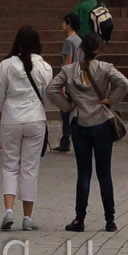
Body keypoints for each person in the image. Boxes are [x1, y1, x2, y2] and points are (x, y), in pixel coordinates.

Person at [48, 21, 128, 233]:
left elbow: (51, 89)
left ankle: (79, 219)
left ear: (81, 49)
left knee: (83, 173)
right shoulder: (105, 68)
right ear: (99, 50)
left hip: (80, 123)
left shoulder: (69, 70)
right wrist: (111, 100)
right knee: (105, 173)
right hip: (101, 121)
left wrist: (67, 106)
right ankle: (110, 219)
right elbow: (124, 83)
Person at [0, 26, 53, 231]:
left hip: (11, 117)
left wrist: (6, 111)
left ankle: (8, 210)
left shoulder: (5, 65)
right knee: (30, 168)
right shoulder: (45, 67)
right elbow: (46, 97)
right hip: (36, 118)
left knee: (10, 166)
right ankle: (27, 216)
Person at [57, 13, 83, 157]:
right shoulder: (79, 40)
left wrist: (63, 83)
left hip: (70, 80)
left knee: (66, 112)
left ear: (68, 23)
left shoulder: (69, 41)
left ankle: (66, 140)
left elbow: (68, 61)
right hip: (79, 79)